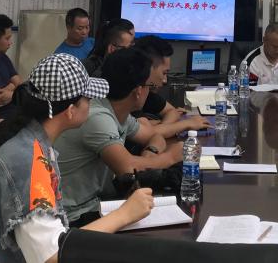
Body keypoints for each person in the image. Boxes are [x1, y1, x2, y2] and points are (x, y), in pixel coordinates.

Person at [0, 53, 154, 263]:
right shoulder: (26, 161)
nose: (93, 103)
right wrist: (125, 214)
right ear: (70, 111)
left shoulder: (25, 138)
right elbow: (52, 257)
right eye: (88, 98)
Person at [54, 48, 183, 227]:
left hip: (97, 203)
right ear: (138, 91)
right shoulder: (98, 116)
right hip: (74, 216)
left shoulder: (117, 111)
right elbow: (128, 167)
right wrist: (171, 157)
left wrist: (150, 153)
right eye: (149, 86)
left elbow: (154, 136)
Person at [132, 35, 209, 136]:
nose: (165, 80)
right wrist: (186, 124)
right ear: (148, 68)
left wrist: (163, 127)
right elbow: (146, 134)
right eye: (164, 73)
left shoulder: (147, 92)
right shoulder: (131, 93)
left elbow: (172, 111)